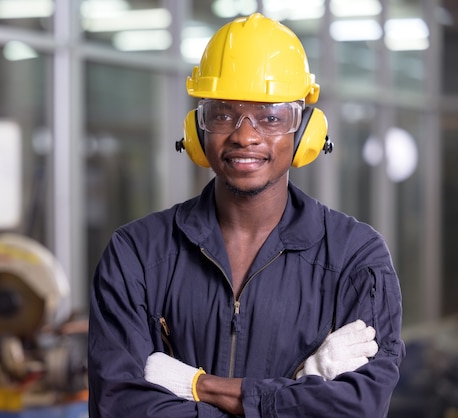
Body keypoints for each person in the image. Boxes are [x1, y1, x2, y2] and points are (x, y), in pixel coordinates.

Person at [88, 13, 405, 417]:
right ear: (197, 130)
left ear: (306, 132)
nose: (245, 134)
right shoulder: (136, 254)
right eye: (222, 114)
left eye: (271, 117)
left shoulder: (355, 259)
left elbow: (358, 408)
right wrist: (295, 388)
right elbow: (121, 405)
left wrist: (197, 386)